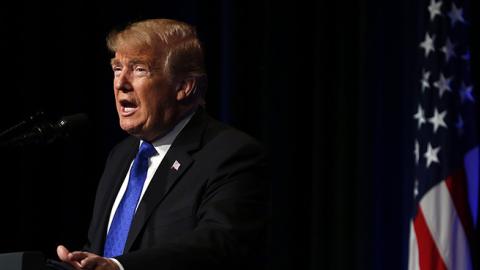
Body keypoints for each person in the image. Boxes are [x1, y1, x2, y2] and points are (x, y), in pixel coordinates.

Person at [56, 18, 268, 270]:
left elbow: (218, 245)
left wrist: (119, 267)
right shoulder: (121, 155)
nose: (120, 83)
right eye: (117, 68)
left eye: (139, 69)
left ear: (184, 87)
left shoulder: (231, 154)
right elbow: (101, 248)